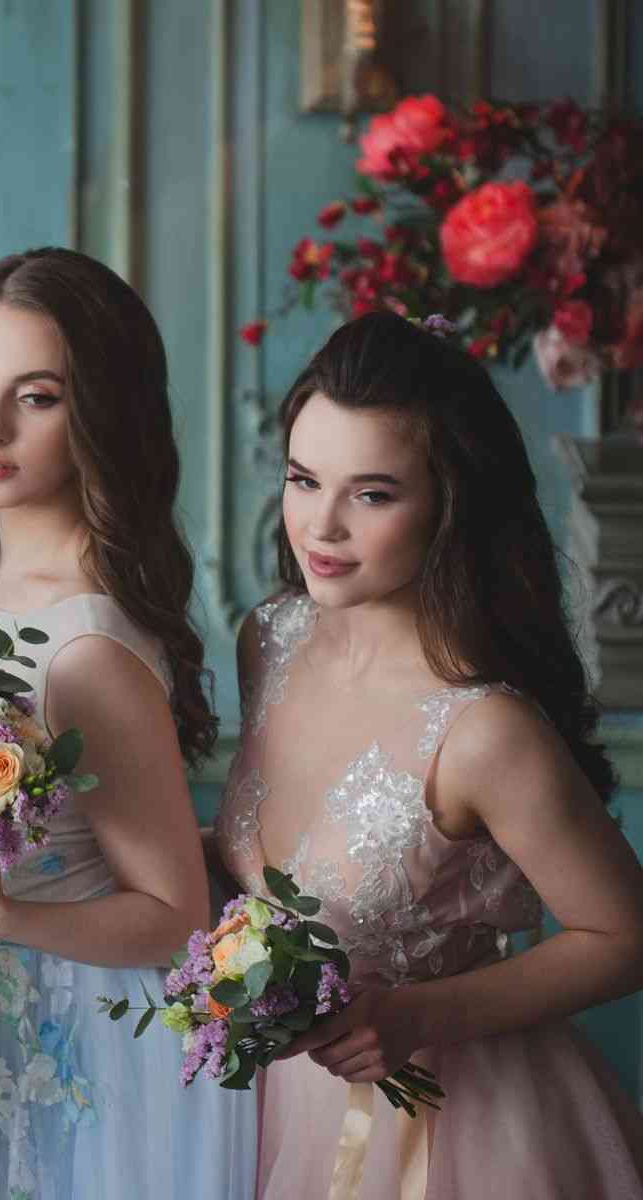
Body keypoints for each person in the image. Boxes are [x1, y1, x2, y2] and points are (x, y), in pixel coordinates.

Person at [216, 311, 643, 1196]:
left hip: (455, 1126)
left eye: (372, 494)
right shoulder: (270, 637)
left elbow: (626, 938)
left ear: (449, 503)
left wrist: (416, 1014)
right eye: (304, 479)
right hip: (277, 1108)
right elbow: (269, 862)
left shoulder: (484, 730)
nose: (320, 526)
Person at [0, 247, 255, 1200]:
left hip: (86, 1036)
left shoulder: (83, 647)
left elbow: (175, 917)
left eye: (38, 397)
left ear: (98, 413)